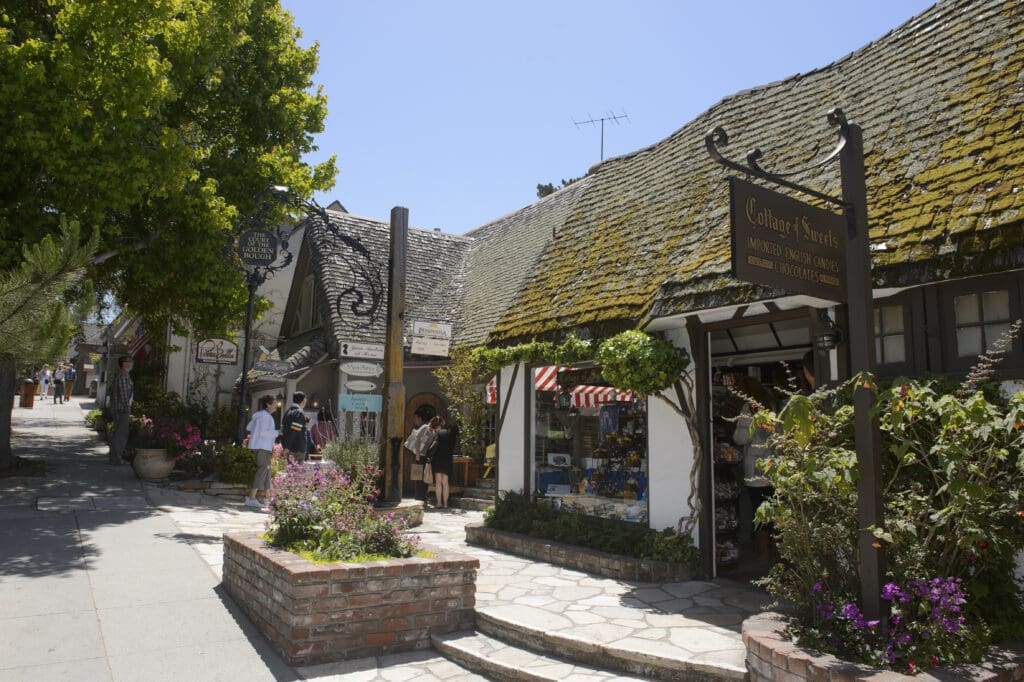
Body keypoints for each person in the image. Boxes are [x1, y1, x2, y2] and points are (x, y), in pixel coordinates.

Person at [244, 395, 278, 509]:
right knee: (262, 470)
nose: (276, 405)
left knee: (267, 471)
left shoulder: (259, 416)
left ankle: (266, 497)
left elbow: (249, 427)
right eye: (274, 402)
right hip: (263, 447)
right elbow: (263, 433)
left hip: (261, 447)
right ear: (268, 404)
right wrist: (277, 432)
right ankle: (251, 497)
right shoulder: (266, 417)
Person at [403, 408, 435, 503]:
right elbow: (417, 440)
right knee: (418, 476)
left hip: (426, 456)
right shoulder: (424, 427)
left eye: (416, 418)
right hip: (419, 455)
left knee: (425, 477)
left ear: (420, 418)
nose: (415, 420)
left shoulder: (432, 431)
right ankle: (418, 496)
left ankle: (423, 495)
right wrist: (417, 454)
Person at [108, 356, 134, 465]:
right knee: (120, 435)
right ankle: (116, 459)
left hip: (119, 408)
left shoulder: (125, 375)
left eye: (130, 362)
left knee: (119, 434)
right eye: (126, 362)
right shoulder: (123, 376)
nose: (129, 364)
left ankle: (115, 457)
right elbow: (123, 396)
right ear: (122, 364)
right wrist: (127, 409)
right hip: (121, 409)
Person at [426, 416, 455, 509]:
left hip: (438, 459)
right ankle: (446, 504)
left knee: (438, 482)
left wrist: (429, 455)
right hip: (447, 459)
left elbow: (434, 447)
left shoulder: (437, 434)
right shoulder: (449, 434)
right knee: (445, 483)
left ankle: (439, 503)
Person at [280, 391, 308, 463]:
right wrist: (287, 447)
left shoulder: (288, 412)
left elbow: (284, 429)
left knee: (291, 472)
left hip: (290, 447)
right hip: (297, 448)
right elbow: (294, 430)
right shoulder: (299, 412)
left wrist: (286, 446)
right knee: (297, 473)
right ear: (303, 400)